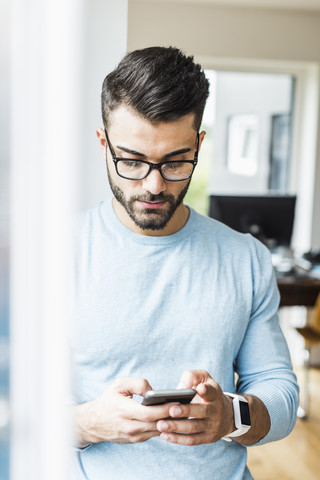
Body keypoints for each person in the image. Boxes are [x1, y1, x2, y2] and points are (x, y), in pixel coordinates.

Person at [71, 46, 299, 480]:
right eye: (132, 161)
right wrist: (87, 423)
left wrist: (232, 417)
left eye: (175, 162)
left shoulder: (245, 258)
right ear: (103, 143)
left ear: (198, 144)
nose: (154, 185)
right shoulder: (52, 254)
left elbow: (281, 393)